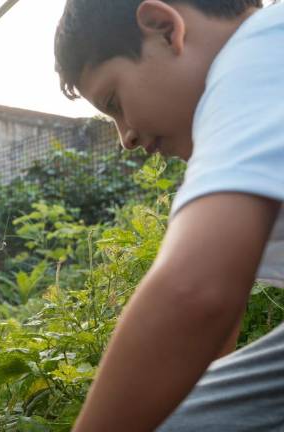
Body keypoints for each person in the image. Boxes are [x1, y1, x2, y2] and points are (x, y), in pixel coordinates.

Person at [53, 0, 284, 430]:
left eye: (114, 101)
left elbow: (194, 290)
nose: (126, 138)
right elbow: (221, 295)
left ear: (163, 28)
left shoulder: (253, 58)